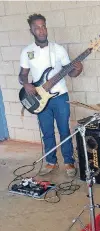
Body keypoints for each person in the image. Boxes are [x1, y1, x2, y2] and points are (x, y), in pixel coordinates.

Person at [19, 14, 83, 177]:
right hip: (40, 99)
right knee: (47, 131)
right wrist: (26, 84)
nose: (41, 30)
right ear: (31, 30)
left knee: (64, 130)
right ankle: (51, 162)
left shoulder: (58, 49)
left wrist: (78, 68)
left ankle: (68, 162)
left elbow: (72, 74)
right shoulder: (27, 52)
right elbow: (23, 74)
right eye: (37, 28)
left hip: (60, 97)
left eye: (43, 26)